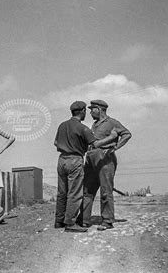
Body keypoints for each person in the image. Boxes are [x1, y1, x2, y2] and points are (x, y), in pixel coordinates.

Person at [54, 101, 118, 233]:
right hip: (75, 160)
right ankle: (70, 223)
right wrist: (112, 137)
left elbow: (56, 142)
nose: (88, 113)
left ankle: (59, 221)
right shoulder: (83, 128)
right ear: (82, 111)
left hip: (61, 160)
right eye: (86, 110)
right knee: (75, 193)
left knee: (62, 192)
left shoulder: (62, 125)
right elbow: (95, 144)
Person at [80, 99, 132, 231]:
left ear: (100, 109)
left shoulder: (112, 122)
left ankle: (107, 221)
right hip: (91, 158)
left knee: (105, 190)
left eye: (92, 109)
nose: (90, 112)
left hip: (105, 159)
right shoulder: (94, 124)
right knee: (87, 190)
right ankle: (85, 219)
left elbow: (127, 134)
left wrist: (115, 148)